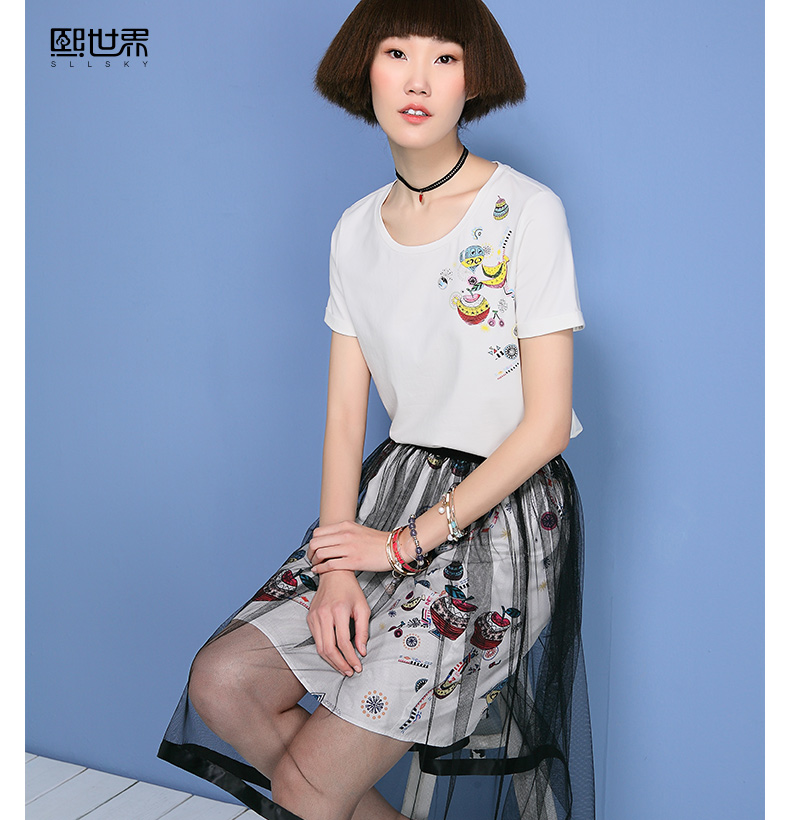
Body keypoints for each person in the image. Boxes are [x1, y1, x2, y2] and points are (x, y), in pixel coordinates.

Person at [158, 1, 595, 818]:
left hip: (502, 517)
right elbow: (342, 416)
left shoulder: (526, 211)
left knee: (307, 782)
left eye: (445, 58)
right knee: (222, 680)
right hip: (392, 490)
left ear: (475, 79)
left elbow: (544, 426)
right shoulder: (355, 230)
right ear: (365, 69)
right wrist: (335, 568)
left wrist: (403, 545)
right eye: (397, 53)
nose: (418, 80)